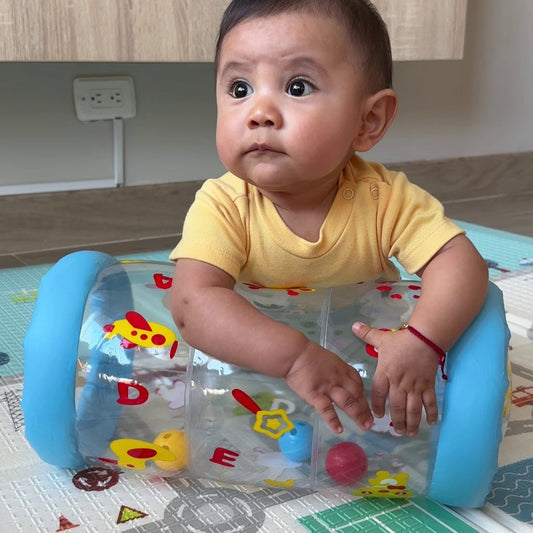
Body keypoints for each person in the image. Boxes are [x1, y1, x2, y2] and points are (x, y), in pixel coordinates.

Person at [170, 0, 488, 437]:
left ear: (367, 121)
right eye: (240, 89)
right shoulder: (223, 205)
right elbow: (192, 305)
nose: (259, 113)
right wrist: (294, 358)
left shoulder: (383, 199)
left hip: (363, 366)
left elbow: (459, 261)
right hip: (260, 365)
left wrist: (422, 340)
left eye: (297, 87)